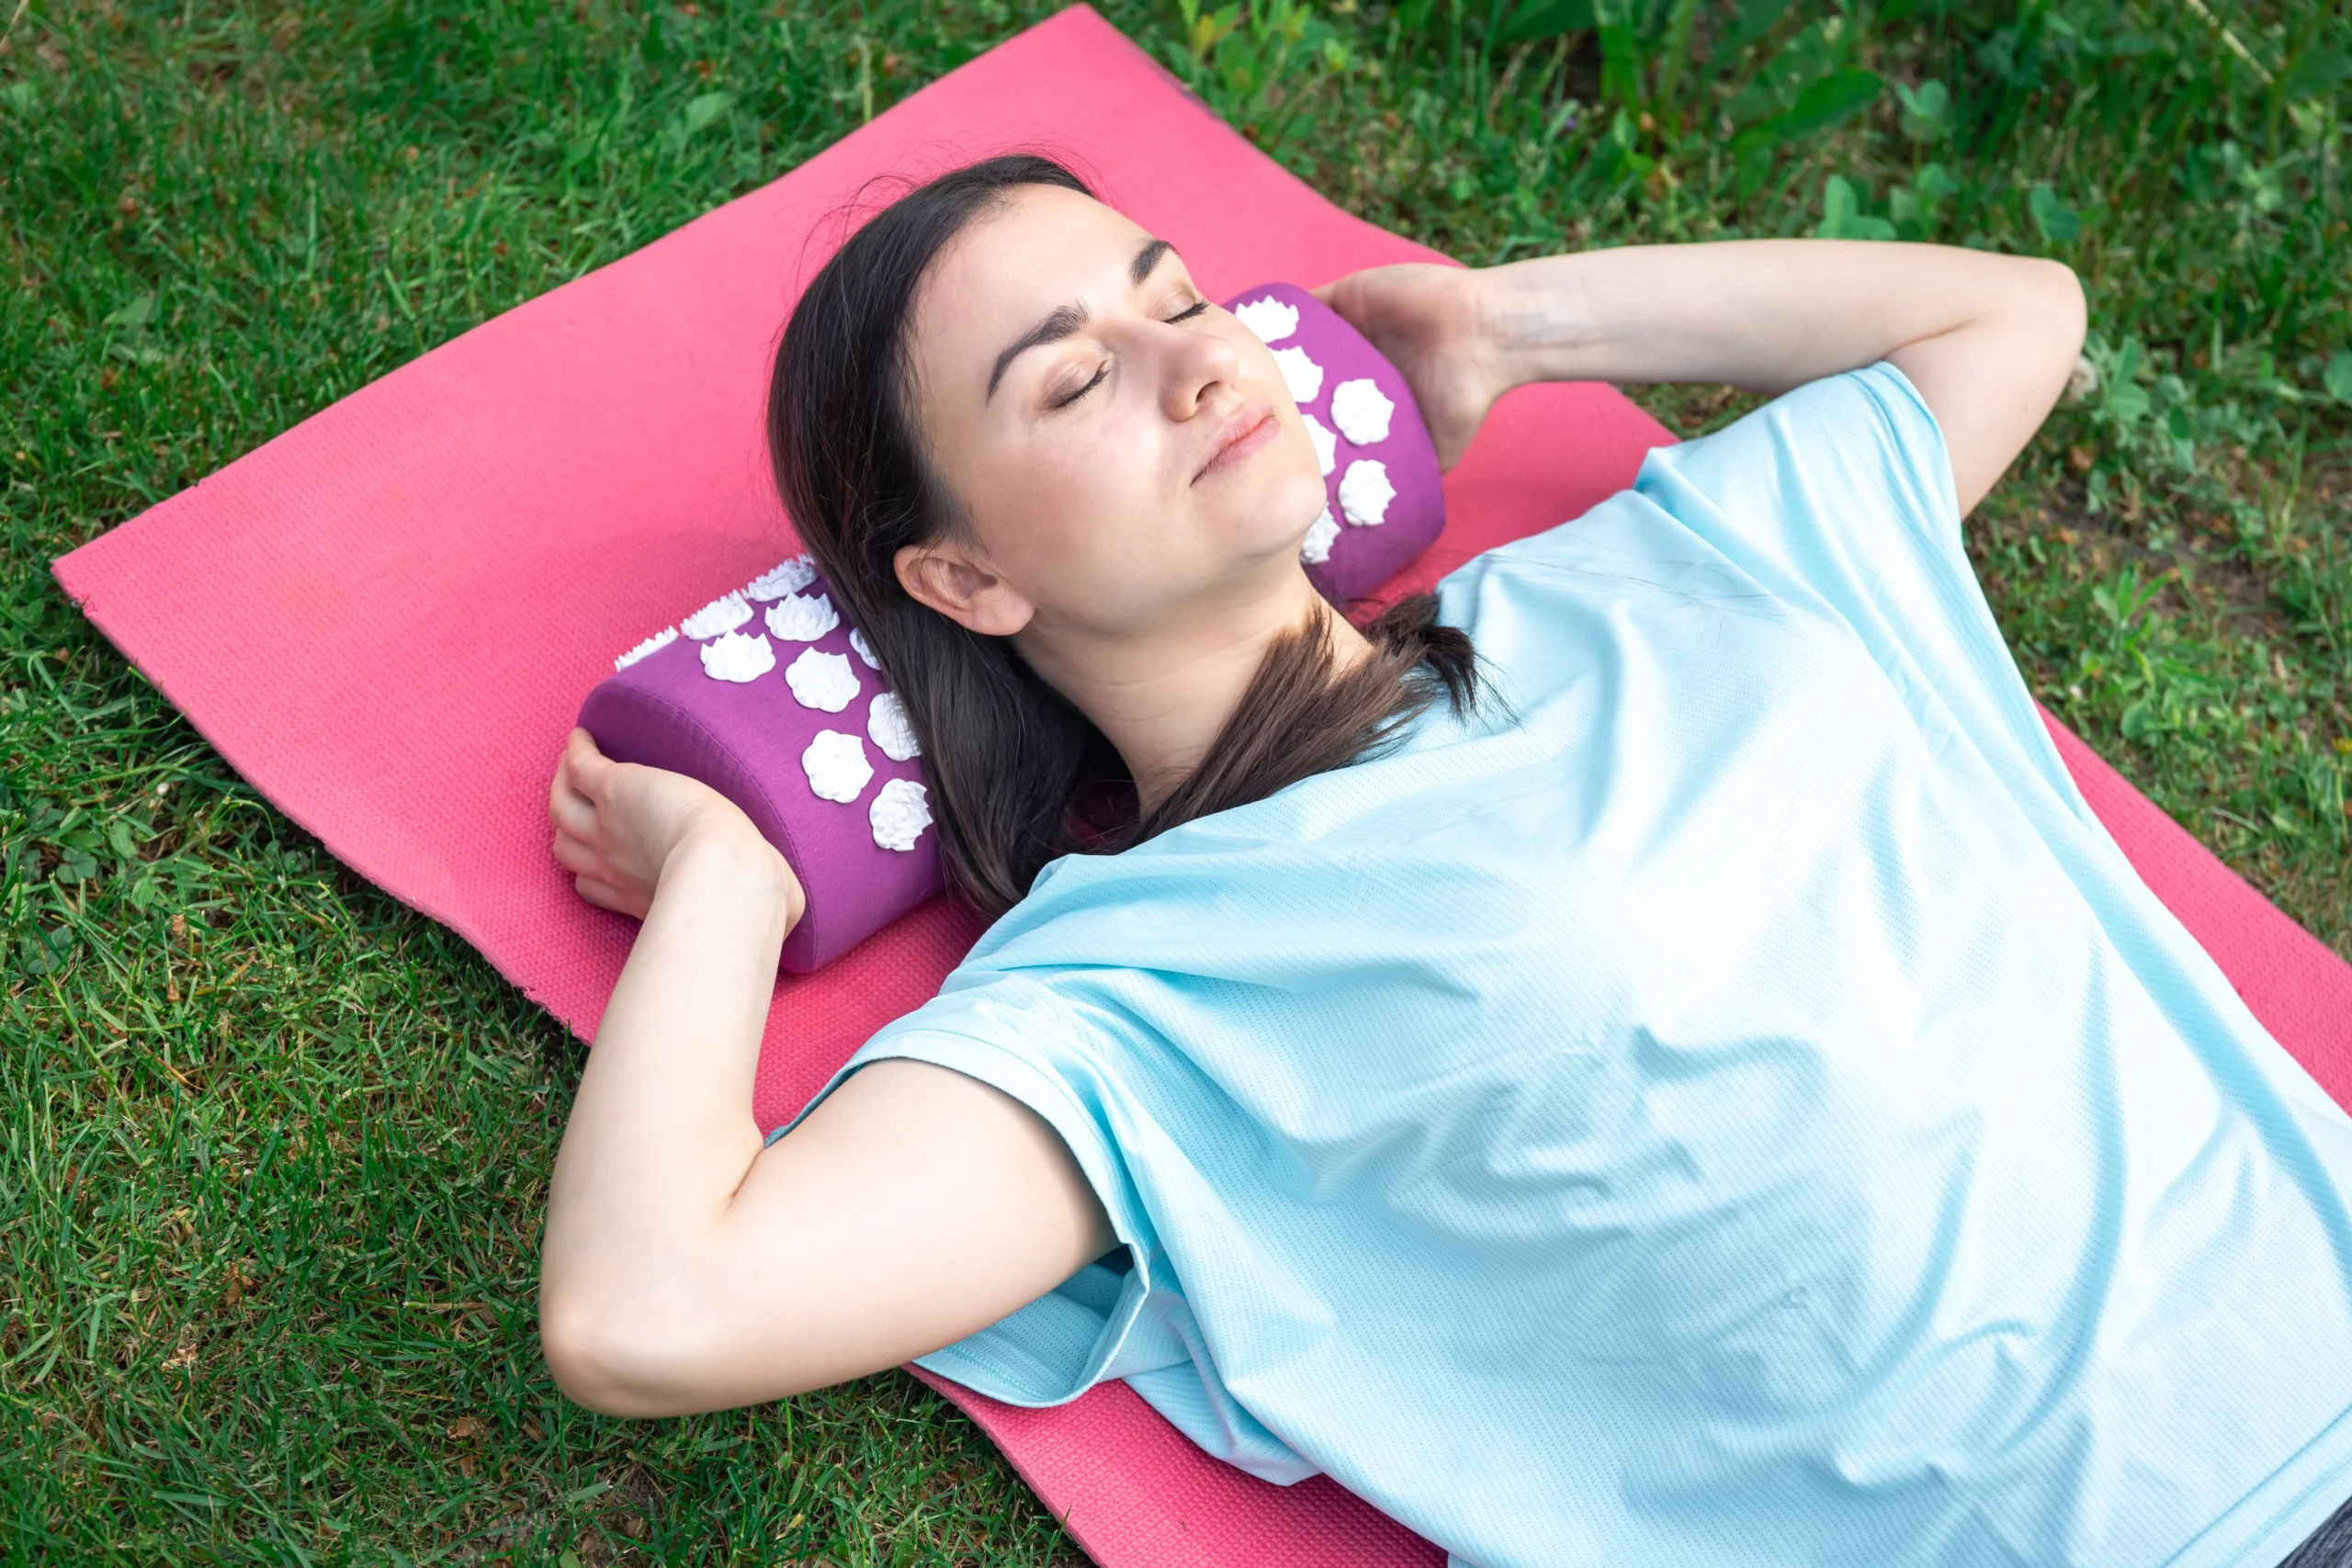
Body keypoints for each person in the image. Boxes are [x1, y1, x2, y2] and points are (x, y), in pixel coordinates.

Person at [537, 155, 2352, 1567]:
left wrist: (1503, 330)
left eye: (1175, 292)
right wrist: (729, 860)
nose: (1192, 362)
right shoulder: (1144, 991)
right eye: (1077, 377)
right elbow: (648, 1310)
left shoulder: (1664, 564)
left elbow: (2008, 317)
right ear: (966, 581)